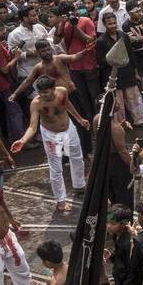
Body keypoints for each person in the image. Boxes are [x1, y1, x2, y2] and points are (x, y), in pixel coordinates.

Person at [10, 76, 89, 213]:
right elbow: (32, 127)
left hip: (69, 128)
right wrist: (23, 140)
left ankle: (80, 185)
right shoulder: (36, 103)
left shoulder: (63, 91)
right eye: (40, 92)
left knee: (77, 158)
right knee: (56, 167)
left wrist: (79, 119)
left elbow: (68, 105)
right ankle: (60, 199)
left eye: (45, 92)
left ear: (53, 89)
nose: (42, 95)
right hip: (51, 136)